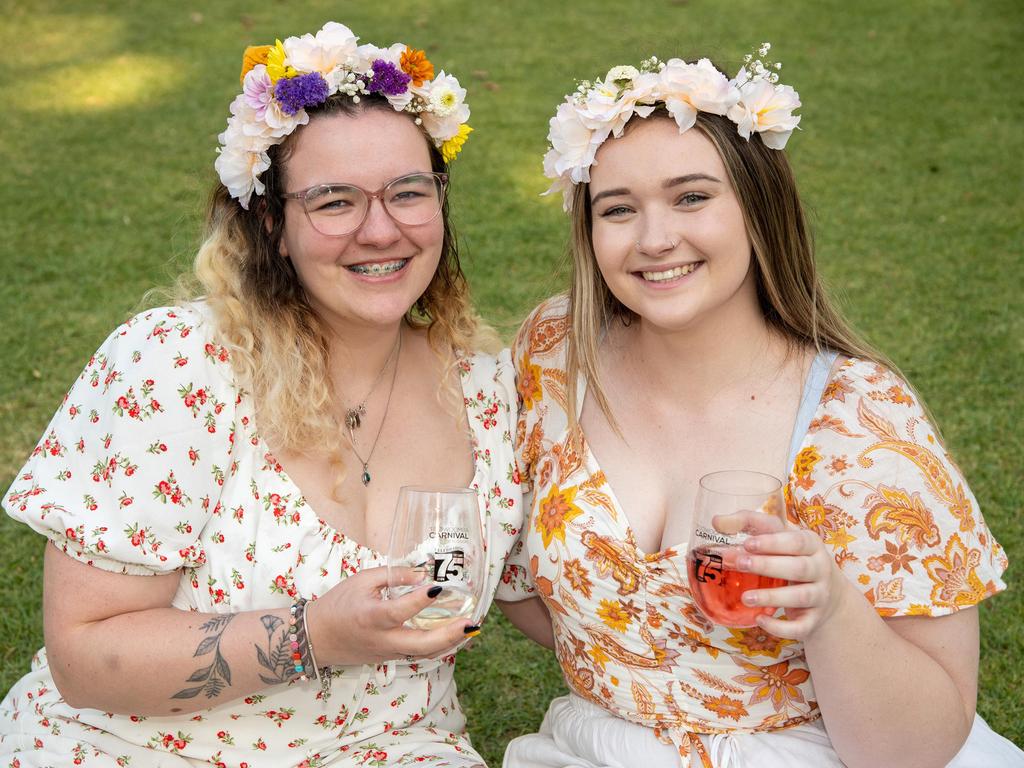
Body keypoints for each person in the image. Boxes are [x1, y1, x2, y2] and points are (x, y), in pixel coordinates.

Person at [1, 21, 523, 768]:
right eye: (335, 201)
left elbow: (557, 589)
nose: (381, 230)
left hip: (394, 748)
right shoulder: (178, 368)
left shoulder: (483, 387)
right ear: (274, 223)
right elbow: (85, 658)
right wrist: (317, 634)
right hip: (135, 749)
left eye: (408, 192)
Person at [496, 46, 1023, 767]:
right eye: (618, 209)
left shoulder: (860, 425)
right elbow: (517, 574)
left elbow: (923, 746)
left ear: (758, 208)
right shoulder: (556, 351)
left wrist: (832, 611)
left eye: (691, 197)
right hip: (598, 742)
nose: (655, 240)